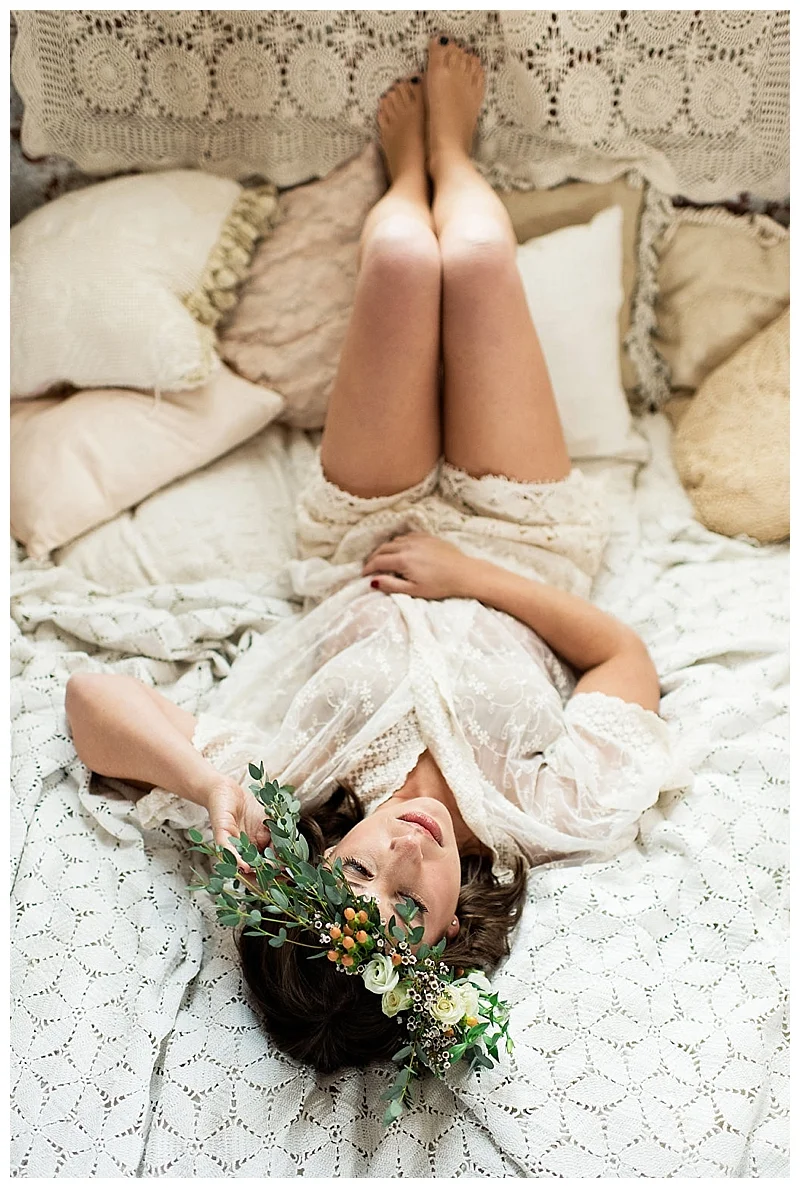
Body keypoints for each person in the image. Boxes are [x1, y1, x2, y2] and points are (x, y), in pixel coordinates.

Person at [65, 38, 681, 1076]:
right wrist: (473, 576)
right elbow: (621, 656)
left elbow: (88, 700)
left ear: (322, 866)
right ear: (446, 942)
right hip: (519, 536)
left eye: (359, 880)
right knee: (471, 260)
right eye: (409, 906)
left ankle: (407, 176)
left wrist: (207, 786)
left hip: (366, 528)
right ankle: (455, 154)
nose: (402, 855)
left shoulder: (289, 790)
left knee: (401, 258)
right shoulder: (544, 815)